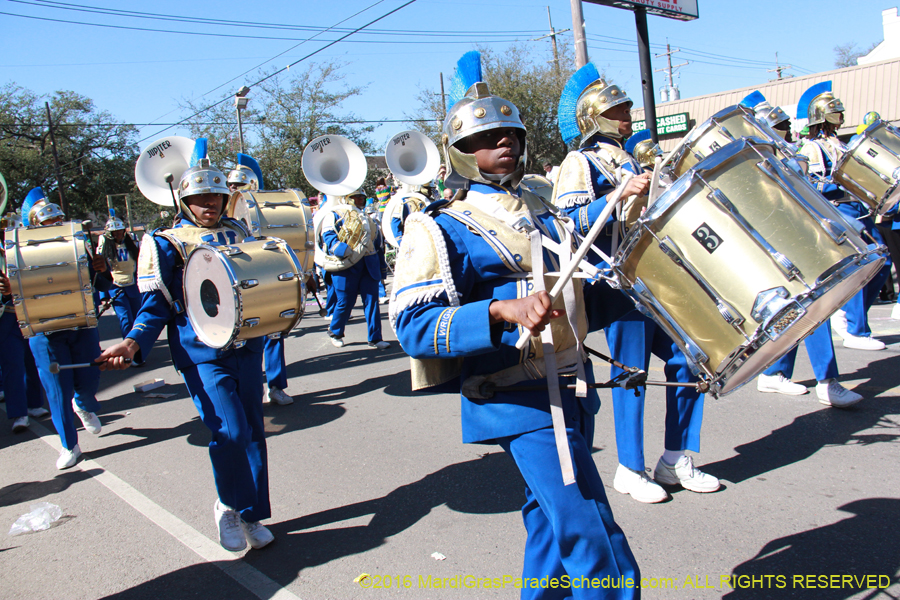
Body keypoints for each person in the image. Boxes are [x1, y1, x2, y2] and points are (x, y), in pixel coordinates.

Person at [390, 51, 639, 597]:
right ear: (460, 152)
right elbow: (411, 324)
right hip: (514, 395)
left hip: (571, 384)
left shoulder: (543, 207)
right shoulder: (441, 227)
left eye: (509, 133)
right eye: (485, 137)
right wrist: (500, 312)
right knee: (594, 536)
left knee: (549, 526)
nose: (501, 142)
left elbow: (581, 289)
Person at [553, 63, 718, 504]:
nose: (626, 116)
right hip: (616, 280)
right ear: (594, 118)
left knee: (690, 361)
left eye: (626, 108)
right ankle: (629, 466)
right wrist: (618, 195)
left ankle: (675, 457)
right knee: (632, 371)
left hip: (654, 275)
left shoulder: (631, 155)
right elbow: (564, 223)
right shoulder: (579, 161)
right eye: (617, 110)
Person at [98, 142, 274, 552]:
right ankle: (228, 505)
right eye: (199, 198)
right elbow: (156, 304)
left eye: (214, 196)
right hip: (200, 352)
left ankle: (251, 512)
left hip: (245, 345)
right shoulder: (166, 242)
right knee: (229, 431)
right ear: (185, 201)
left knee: (252, 432)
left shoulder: (240, 231)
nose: (209, 204)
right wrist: (132, 341)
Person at [738, 91, 863, 408]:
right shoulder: (751, 160)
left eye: (782, 123)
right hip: (779, 244)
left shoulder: (787, 153)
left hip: (799, 238)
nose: (783, 128)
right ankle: (827, 381)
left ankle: (775, 374)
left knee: (797, 312)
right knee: (812, 307)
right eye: (776, 123)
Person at [15, 188, 108, 469]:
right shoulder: (19, 253)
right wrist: (11, 288)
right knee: (56, 391)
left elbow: (99, 286)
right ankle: (69, 445)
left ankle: (83, 402)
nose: (54, 226)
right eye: (47, 222)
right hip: (46, 332)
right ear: (34, 226)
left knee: (90, 377)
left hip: (80, 325)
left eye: (57, 220)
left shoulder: (77, 245)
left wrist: (99, 270)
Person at [797, 81, 891, 351]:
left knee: (881, 263)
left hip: (858, 207)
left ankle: (849, 314)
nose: (840, 116)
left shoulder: (840, 143)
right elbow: (815, 184)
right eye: (834, 112)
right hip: (837, 209)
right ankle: (855, 329)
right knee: (861, 265)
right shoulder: (810, 148)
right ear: (822, 117)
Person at [227, 153, 293, 406]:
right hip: (234, 283)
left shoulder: (265, 212)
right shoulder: (222, 216)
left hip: (266, 277)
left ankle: (276, 386)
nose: (234, 189)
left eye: (239, 185)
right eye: (231, 185)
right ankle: (241, 390)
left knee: (274, 331)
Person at [319, 189, 390, 350]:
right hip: (346, 264)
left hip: (368, 263)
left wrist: (381, 267)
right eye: (356, 197)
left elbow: (377, 244)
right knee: (345, 301)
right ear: (347, 198)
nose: (360, 200)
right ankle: (335, 331)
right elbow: (328, 234)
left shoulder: (368, 218)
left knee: (372, 302)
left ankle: (375, 337)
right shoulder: (335, 214)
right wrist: (341, 249)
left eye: (362, 197)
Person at [0, 227, 49, 433]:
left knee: (32, 359)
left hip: (27, 310)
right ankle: (19, 412)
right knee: (13, 363)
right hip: (6, 315)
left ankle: (34, 403)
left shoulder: (19, 245)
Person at [97, 209, 144, 366]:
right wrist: (104, 297)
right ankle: (130, 353)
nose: (118, 235)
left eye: (120, 231)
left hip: (133, 286)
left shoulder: (132, 244)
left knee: (138, 320)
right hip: (116, 288)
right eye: (115, 232)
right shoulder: (105, 248)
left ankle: (139, 350)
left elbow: (139, 266)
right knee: (126, 320)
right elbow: (101, 274)